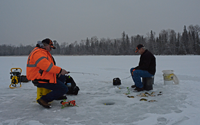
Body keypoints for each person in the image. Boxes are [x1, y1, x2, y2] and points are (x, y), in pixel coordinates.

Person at [26, 38, 69, 108]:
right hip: (39, 79)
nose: (51, 49)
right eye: (50, 47)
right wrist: (60, 70)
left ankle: (57, 95)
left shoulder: (43, 52)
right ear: (45, 46)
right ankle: (43, 99)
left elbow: (48, 67)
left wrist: (58, 73)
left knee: (61, 77)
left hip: (43, 76)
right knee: (64, 89)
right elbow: (46, 66)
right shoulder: (38, 53)